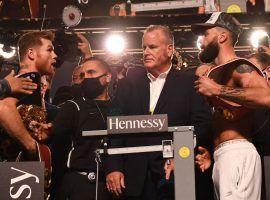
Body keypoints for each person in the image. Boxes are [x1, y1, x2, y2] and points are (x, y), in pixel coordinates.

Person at [105, 25, 213, 200]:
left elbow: (202, 126)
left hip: (175, 175)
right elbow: (115, 126)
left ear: (169, 49)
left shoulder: (190, 83)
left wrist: (181, 154)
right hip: (132, 177)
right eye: (144, 47)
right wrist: (113, 166)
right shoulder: (127, 84)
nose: (146, 52)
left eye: (152, 47)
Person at [192, 12, 268, 200]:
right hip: (223, 156)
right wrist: (214, 150)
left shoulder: (241, 67)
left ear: (222, 36)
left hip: (238, 154)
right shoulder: (216, 72)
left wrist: (218, 89)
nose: (201, 41)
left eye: (206, 34)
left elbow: (267, 96)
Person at [50, 57, 112, 200]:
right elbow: (52, 131)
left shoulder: (119, 107)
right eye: (83, 75)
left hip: (111, 184)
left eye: (91, 72)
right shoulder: (73, 106)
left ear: (108, 77)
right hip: (79, 185)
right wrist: (46, 130)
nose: (86, 78)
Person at [0, 31, 57, 159]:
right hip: (15, 170)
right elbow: (3, 108)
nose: (55, 55)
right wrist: (31, 145)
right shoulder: (28, 79)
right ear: (31, 54)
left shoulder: (30, 81)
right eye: (49, 50)